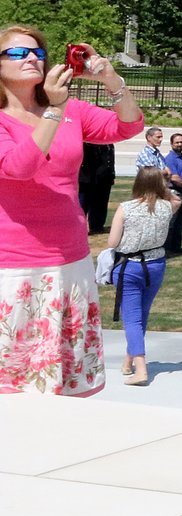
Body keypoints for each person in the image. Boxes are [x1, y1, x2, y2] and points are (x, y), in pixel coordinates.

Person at [0, 27, 145, 396]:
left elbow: (128, 125)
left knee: (66, 385)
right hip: (15, 267)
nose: (32, 58)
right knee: (16, 386)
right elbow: (19, 167)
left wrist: (112, 80)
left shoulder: (69, 109)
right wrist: (53, 109)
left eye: (37, 52)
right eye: (17, 54)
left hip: (70, 260)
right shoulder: (24, 115)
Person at [107, 166, 175, 387]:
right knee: (141, 314)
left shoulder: (126, 208)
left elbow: (112, 242)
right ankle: (129, 360)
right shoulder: (167, 207)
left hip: (130, 266)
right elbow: (177, 199)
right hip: (155, 265)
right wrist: (165, 185)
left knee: (132, 318)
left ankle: (141, 368)